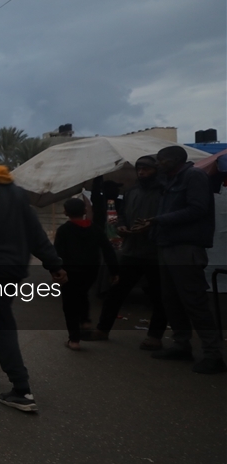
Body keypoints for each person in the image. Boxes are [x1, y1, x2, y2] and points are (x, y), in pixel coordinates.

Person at [0, 144, 65, 413]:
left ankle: (22, 389)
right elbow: (35, 232)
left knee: (1, 322)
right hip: (14, 268)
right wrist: (54, 264)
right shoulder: (16, 192)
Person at [142, 146, 224, 374]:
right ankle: (181, 345)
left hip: (185, 248)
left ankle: (213, 354)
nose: (158, 164)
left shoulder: (194, 176)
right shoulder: (170, 180)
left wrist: (160, 220)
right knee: (171, 300)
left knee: (194, 301)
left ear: (177, 159)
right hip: (168, 246)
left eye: (162, 160)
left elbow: (198, 209)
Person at [93, 157, 165, 348]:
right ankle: (102, 329)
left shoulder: (166, 191)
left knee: (159, 296)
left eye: (146, 169)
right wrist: (122, 226)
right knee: (115, 292)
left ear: (155, 170)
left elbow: (169, 218)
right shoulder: (132, 192)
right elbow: (122, 215)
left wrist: (152, 226)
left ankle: (155, 337)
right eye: (139, 169)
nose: (141, 173)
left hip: (156, 252)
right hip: (131, 251)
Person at [54, 198, 118, 350]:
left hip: (70, 273)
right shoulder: (95, 229)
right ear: (84, 211)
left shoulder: (63, 230)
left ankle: (74, 340)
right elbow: (108, 250)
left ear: (65, 212)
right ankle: (85, 320)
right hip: (91, 272)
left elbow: (57, 254)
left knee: (70, 304)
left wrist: (55, 271)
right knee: (82, 293)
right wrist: (114, 271)